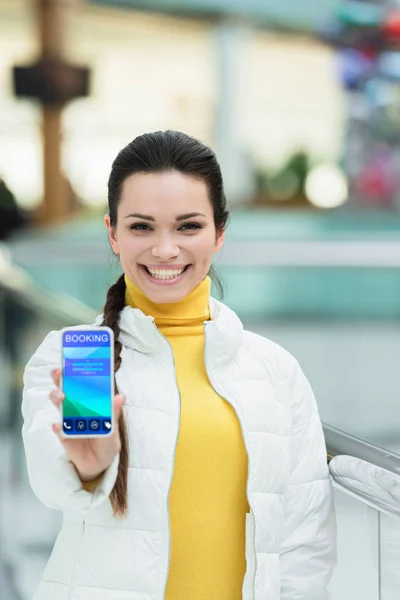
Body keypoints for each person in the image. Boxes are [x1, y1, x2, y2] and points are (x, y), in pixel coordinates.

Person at [22, 130, 337, 600]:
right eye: (141, 227)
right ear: (112, 232)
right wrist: (86, 470)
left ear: (220, 233)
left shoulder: (274, 369)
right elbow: (52, 484)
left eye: (188, 226)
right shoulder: (78, 353)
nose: (165, 249)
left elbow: (305, 539)